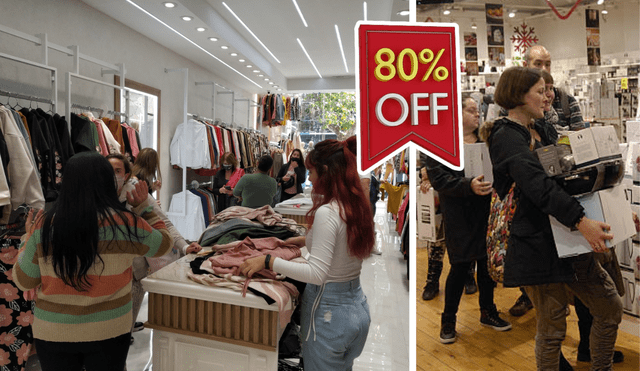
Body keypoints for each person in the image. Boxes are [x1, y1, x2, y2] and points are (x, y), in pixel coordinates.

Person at [479, 67, 622, 370]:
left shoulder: (542, 128)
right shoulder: (506, 136)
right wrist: (582, 221)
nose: (549, 96)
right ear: (519, 95)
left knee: (609, 307)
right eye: (541, 90)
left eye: (548, 89)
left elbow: (570, 179)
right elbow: (538, 186)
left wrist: (613, 210)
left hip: (567, 239)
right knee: (553, 328)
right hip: (537, 245)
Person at [13, 152, 173, 371]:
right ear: (107, 182)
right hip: (109, 330)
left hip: (53, 331)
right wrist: (145, 208)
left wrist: (26, 238)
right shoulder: (126, 224)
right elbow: (164, 244)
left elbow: (24, 280)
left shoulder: (46, 226)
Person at [239, 136, 375, 371]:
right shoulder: (355, 206)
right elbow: (343, 246)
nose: (309, 177)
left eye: (311, 171)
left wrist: (269, 260)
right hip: (357, 309)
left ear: (325, 171)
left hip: (329, 314)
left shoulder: (327, 212)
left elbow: (317, 273)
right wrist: (305, 239)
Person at [427, 96, 511, 344]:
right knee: (460, 266)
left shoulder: (487, 140)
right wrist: (467, 185)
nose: (477, 114)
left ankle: (488, 311)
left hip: (486, 210)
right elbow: (438, 179)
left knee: (487, 266)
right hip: (459, 214)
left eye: (478, 111)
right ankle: (448, 320)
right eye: (472, 110)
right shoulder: (440, 143)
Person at [107, 153, 202, 341]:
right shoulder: (96, 196)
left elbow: (163, 222)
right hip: (106, 274)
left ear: (126, 174)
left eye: (118, 171)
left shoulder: (137, 193)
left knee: (123, 334)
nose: (113, 175)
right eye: (109, 170)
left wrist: (184, 246)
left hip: (133, 273)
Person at [523, 45, 585, 131]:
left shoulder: (566, 100)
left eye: (547, 64)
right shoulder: (515, 101)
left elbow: (581, 138)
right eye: (538, 64)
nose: (544, 69)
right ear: (525, 66)